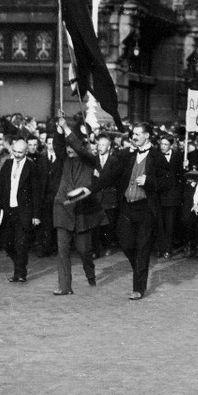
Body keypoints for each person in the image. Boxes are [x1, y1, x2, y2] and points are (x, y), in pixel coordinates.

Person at [71, 121, 170, 300]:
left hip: (146, 208)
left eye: (138, 134)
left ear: (147, 135)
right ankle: (139, 268)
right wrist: (89, 189)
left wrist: (149, 182)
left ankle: (138, 287)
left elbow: (167, 182)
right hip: (127, 207)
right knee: (126, 244)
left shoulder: (157, 157)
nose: (134, 136)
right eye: (133, 133)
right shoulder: (126, 156)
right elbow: (108, 176)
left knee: (142, 247)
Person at [50, 113, 104, 294]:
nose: (69, 150)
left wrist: (66, 129)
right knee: (63, 251)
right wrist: (59, 130)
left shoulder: (89, 159)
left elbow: (80, 149)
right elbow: (58, 146)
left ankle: (90, 274)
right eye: (67, 147)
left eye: (71, 147)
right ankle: (64, 287)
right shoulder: (63, 159)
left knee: (83, 250)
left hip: (82, 210)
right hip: (63, 209)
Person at [0, 138, 41, 283]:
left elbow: (36, 192)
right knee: (8, 243)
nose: (17, 155)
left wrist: (36, 215)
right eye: (15, 151)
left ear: (26, 152)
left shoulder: (31, 167)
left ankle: (20, 273)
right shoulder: (7, 164)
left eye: (21, 152)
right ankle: (18, 266)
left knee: (21, 243)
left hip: (24, 210)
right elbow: (0, 184)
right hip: (8, 210)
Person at [156, 135, 184, 258]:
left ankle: (168, 249)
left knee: (170, 223)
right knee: (159, 223)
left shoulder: (178, 156)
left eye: (166, 144)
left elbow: (181, 175)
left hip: (172, 195)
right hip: (159, 194)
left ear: (171, 145)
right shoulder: (156, 156)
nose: (163, 147)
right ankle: (160, 248)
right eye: (161, 144)